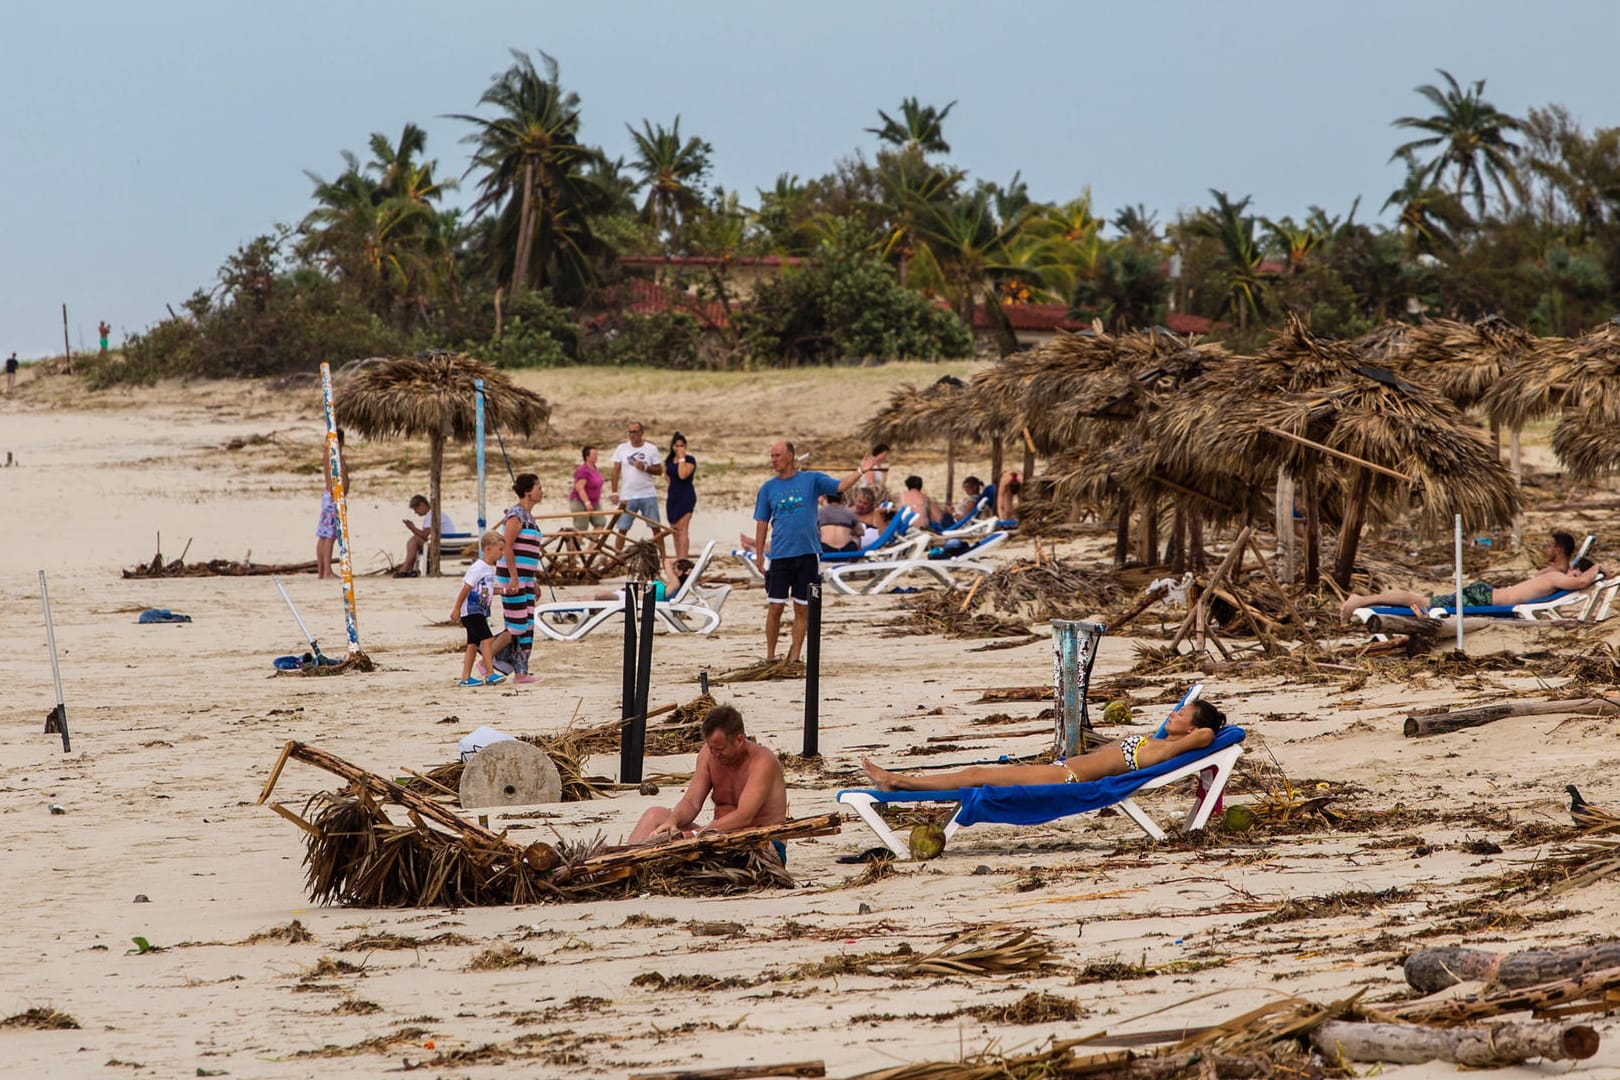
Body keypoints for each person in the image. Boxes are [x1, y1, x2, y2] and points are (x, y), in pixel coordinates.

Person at [861, 699, 1228, 792]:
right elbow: (1192, 730)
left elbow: (1207, 735)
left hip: (1065, 779)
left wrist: (1204, 726)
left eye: (1182, 713)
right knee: (976, 775)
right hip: (1062, 770)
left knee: (976, 776)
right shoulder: (1160, 741)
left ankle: (899, 782)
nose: (1174, 713)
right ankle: (900, 781)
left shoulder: (1167, 748)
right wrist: (1178, 724)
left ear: (1193, 726)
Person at [753, 440, 874, 664]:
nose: (774, 459)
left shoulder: (811, 479)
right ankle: (770, 655)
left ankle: (795, 656)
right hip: (780, 555)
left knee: (802, 608)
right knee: (776, 607)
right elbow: (761, 522)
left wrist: (860, 471)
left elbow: (839, 487)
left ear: (790, 456)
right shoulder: (768, 488)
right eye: (772, 456)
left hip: (808, 554)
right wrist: (760, 554)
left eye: (778, 455)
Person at [627, 705, 789, 853]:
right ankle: (624, 861)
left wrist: (695, 834)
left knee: (751, 844)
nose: (714, 754)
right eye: (711, 748)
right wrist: (672, 821)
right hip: (715, 837)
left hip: (760, 842)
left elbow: (744, 816)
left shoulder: (763, 762)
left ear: (739, 740)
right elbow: (692, 802)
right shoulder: (708, 754)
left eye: (720, 749)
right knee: (654, 815)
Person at [1337, 533, 1600, 619]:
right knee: (1422, 602)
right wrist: (1596, 568)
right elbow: (1580, 581)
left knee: (1423, 601)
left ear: (1557, 549)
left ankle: (1363, 601)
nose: (1545, 549)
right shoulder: (1554, 575)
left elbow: (1577, 579)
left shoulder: (1554, 574)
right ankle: (1360, 601)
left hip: (1485, 594)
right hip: (1482, 597)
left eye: (1548, 545)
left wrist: (1591, 569)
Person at [490, 473, 544, 683]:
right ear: (528, 491)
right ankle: (486, 660)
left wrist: (534, 581)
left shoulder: (530, 517)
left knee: (527, 627)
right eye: (539, 487)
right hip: (513, 577)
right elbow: (507, 547)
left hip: (526, 578)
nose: (542, 491)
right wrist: (514, 576)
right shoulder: (516, 515)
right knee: (516, 625)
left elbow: (529, 553)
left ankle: (521, 672)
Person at [451, 531, 507, 687]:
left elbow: (486, 589)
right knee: (488, 639)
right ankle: (489, 674)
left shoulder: (488, 569)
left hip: (479, 611)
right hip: (471, 610)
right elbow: (466, 587)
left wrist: (504, 591)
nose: (502, 553)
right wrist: (456, 608)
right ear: (488, 549)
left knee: (472, 645)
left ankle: (465, 678)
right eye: (500, 549)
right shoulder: (479, 568)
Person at [610, 421, 665, 554]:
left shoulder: (651, 449)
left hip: (647, 494)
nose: (632, 435)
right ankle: (617, 557)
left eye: (635, 432)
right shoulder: (622, 448)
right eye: (630, 432)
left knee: (655, 527)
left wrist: (645, 467)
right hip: (628, 495)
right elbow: (616, 470)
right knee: (622, 528)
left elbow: (659, 470)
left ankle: (663, 556)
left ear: (641, 433)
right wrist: (614, 492)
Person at [315, 429, 348, 580]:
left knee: (323, 535)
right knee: (329, 535)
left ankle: (322, 571)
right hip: (334, 497)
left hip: (329, 496)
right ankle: (327, 571)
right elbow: (337, 478)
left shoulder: (327, 454)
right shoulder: (334, 456)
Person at [396, 494, 457, 578]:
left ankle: (405, 568)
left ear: (422, 505)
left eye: (416, 509)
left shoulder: (431, 515)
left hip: (444, 545)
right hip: (448, 543)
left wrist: (412, 528)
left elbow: (425, 535)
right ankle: (408, 568)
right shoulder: (433, 514)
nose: (416, 512)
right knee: (415, 540)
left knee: (414, 540)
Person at [664, 432, 698, 566]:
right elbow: (667, 477)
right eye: (676, 446)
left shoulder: (690, 460)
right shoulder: (669, 461)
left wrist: (682, 458)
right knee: (674, 529)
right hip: (673, 497)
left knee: (683, 528)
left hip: (686, 496)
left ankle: (684, 559)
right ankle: (678, 557)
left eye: (681, 445)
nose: (679, 448)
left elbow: (682, 474)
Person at [569, 446, 607, 531]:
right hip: (580, 502)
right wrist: (587, 503)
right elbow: (579, 487)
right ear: (587, 456)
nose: (596, 456)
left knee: (601, 522)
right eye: (594, 455)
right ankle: (574, 543)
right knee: (581, 527)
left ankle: (593, 545)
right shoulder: (583, 470)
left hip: (595, 502)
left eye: (596, 454)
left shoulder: (595, 468)